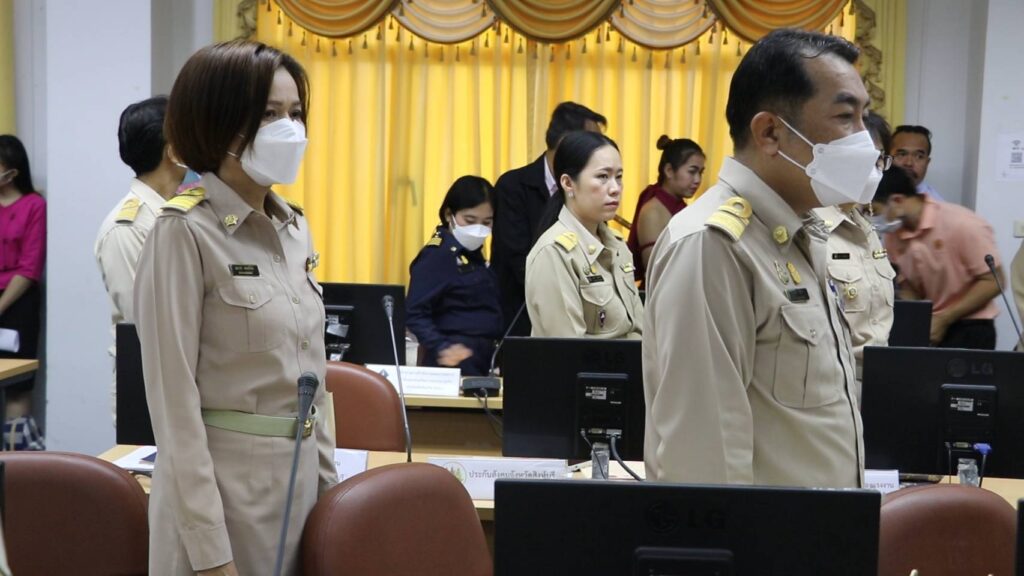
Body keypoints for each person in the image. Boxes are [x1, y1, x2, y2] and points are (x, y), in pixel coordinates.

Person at [134, 40, 337, 576]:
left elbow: (314, 381)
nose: (288, 128)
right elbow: (173, 408)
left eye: (295, 113)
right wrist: (209, 551)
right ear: (218, 121)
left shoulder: (295, 227)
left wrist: (331, 496)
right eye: (269, 114)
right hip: (223, 499)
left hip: (299, 491)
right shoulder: (183, 232)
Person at [644, 29, 880, 488]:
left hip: (824, 525)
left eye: (864, 118)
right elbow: (703, 456)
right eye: (845, 117)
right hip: (763, 533)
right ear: (770, 132)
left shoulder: (800, 234)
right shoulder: (713, 244)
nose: (865, 142)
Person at [95, 96, 188, 421]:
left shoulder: (178, 213)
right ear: (173, 151)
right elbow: (148, 321)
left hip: (186, 383)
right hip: (149, 387)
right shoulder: (129, 227)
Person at [492, 102, 606, 334]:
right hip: (522, 321)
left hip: (582, 318)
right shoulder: (513, 186)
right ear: (565, 142)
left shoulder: (589, 189)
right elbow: (519, 262)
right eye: (592, 143)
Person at [525, 130, 643, 339]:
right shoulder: (554, 253)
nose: (615, 188)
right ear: (568, 183)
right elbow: (568, 350)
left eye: (619, 177)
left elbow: (640, 328)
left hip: (636, 359)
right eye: (603, 177)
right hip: (594, 362)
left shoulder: (617, 244)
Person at [812, 110, 896, 397]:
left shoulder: (866, 229)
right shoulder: (812, 229)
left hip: (877, 381)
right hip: (831, 385)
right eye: (865, 159)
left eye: (880, 159)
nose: (874, 170)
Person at [875, 165, 1002, 349]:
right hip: (930, 325)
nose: (875, 219)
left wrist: (945, 318)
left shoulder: (962, 223)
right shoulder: (893, 236)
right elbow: (908, 287)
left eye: (876, 212)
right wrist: (915, 322)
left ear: (897, 200)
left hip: (971, 326)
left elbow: (994, 281)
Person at [406, 176, 503, 375]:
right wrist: (442, 346)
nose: (478, 229)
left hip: (482, 356)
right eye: (470, 220)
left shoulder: (471, 253)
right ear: (449, 214)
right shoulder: (438, 254)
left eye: (487, 222)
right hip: (453, 361)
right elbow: (414, 311)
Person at [0, 134, 46, 432]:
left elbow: (30, 267)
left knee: (17, 386)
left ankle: (15, 456)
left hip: (18, 303)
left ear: (12, 172)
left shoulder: (34, 205)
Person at [626, 135, 705, 284]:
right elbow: (656, 272)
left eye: (700, 173)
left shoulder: (681, 208)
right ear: (669, 170)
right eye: (692, 172)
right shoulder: (653, 211)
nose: (698, 180)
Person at [890, 124, 945, 201]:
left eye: (919, 156)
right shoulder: (873, 193)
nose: (909, 163)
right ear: (886, 158)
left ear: (927, 163)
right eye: (902, 154)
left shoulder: (937, 204)